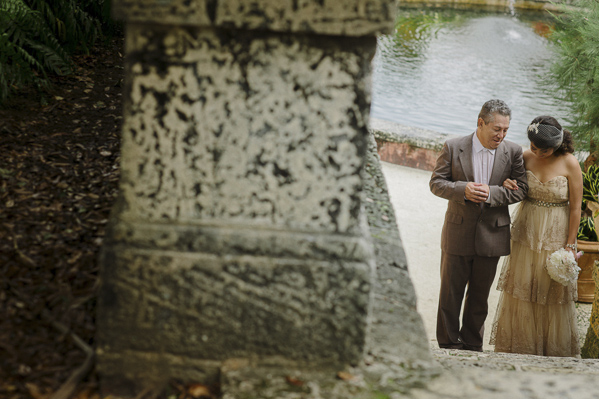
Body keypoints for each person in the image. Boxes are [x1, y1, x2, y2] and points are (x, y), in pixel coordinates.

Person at [430, 99, 528, 351]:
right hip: (457, 231)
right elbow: (436, 183)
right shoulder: (453, 147)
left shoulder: (514, 152)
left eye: (506, 130)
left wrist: (493, 193)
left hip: (493, 235)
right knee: (450, 296)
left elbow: (522, 190)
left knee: (479, 299)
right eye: (497, 129)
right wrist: (463, 190)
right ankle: (448, 345)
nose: (501, 135)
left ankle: (473, 345)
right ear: (480, 123)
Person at [490, 115, 583, 357]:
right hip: (527, 232)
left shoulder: (571, 163)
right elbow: (513, 184)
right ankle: (520, 347)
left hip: (556, 233)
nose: (539, 153)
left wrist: (571, 245)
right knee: (522, 287)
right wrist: (509, 182)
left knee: (550, 292)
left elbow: (576, 207)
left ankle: (550, 351)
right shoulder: (525, 156)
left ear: (558, 144)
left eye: (545, 149)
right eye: (534, 147)